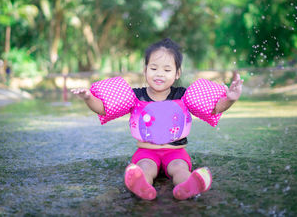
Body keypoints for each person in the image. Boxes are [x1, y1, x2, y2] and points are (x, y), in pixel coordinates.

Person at [71, 38, 243, 200]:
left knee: (180, 168)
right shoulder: (135, 96)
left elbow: (214, 108)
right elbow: (103, 109)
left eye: (167, 70)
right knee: (145, 167)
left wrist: (230, 99)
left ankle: (187, 186)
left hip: (176, 152)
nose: (159, 74)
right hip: (146, 152)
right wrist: (88, 98)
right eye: (153, 69)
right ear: (145, 70)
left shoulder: (184, 96)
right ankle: (142, 187)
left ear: (177, 73)